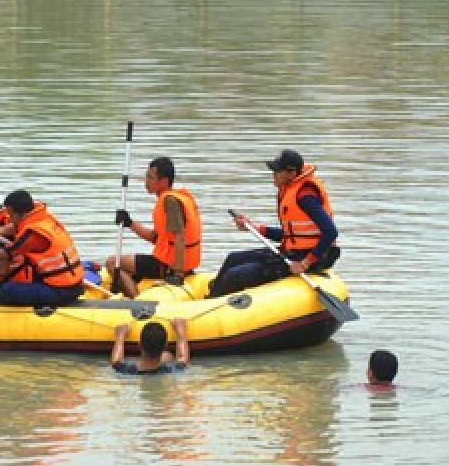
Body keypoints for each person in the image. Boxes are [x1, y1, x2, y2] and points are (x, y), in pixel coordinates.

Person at [208, 150, 339, 298]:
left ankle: (212, 303)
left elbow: (331, 232)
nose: (273, 174)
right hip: (293, 253)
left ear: (291, 173)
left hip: (311, 257)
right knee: (233, 258)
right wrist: (255, 227)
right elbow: (291, 235)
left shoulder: (305, 197)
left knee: (235, 275)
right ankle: (212, 297)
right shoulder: (290, 190)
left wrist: (305, 264)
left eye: (277, 171)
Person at [0, 189, 86, 306]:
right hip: (73, 283)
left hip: (61, 289)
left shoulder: (33, 235)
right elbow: (2, 230)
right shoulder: (41, 219)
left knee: (7, 290)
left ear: (20, 214)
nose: (9, 219)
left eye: (11, 215)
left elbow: (2, 255)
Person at [106, 156, 202, 297]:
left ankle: (136, 301)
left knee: (112, 262)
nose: (146, 181)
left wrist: (178, 274)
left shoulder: (170, 202)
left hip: (169, 266)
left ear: (163, 181)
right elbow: (155, 237)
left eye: (150, 177)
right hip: (174, 262)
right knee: (127, 263)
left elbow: (180, 238)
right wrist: (129, 222)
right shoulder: (174, 198)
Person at [110, 318, 190, 374]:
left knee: (167, 357)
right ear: (165, 346)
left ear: (139, 345)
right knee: (168, 356)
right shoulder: (171, 370)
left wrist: (120, 335)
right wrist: (180, 329)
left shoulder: (126, 370)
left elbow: (115, 361)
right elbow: (183, 358)